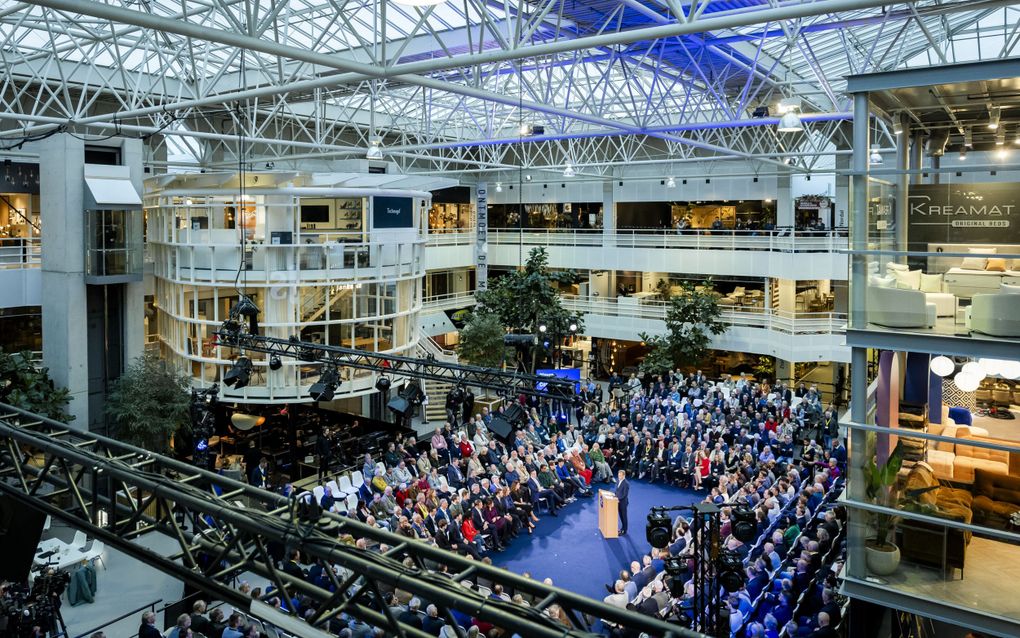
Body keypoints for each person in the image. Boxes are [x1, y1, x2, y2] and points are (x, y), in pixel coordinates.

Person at [614, 469, 630, 535]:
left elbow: (624, 494)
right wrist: (614, 495)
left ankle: (624, 530)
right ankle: (622, 528)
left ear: (624, 475)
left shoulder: (626, 483)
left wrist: (617, 498)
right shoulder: (618, 480)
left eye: (620, 475)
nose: (619, 476)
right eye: (618, 475)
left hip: (623, 503)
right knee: (621, 516)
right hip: (617, 502)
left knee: (624, 517)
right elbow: (617, 490)